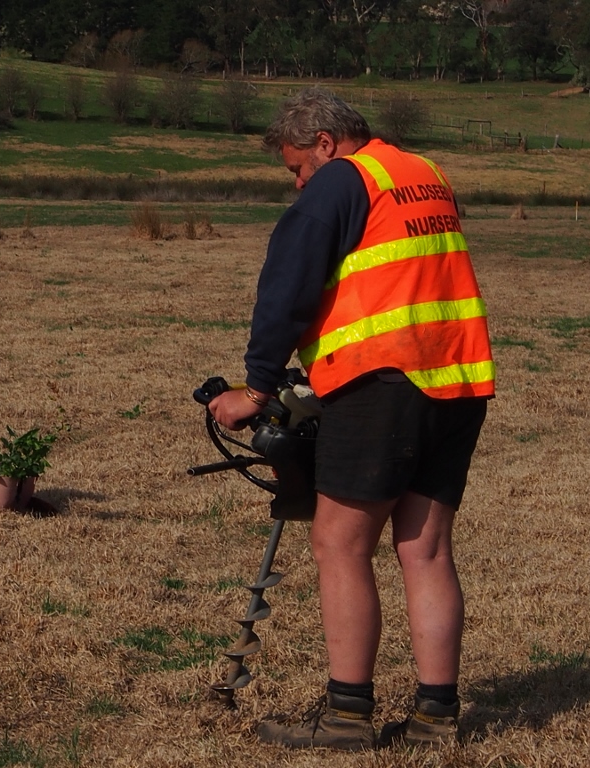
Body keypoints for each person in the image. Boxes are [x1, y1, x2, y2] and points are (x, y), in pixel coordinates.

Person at [208, 88, 494, 751]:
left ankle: (345, 715)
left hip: (381, 386)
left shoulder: (342, 180)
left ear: (326, 144)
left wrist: (255, 387)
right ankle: (435, 717)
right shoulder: (424, 174)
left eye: (295, 169)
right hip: (456, 380)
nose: (299, 183)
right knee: (425, 550)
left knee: (340, 543)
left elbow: (289, 283)